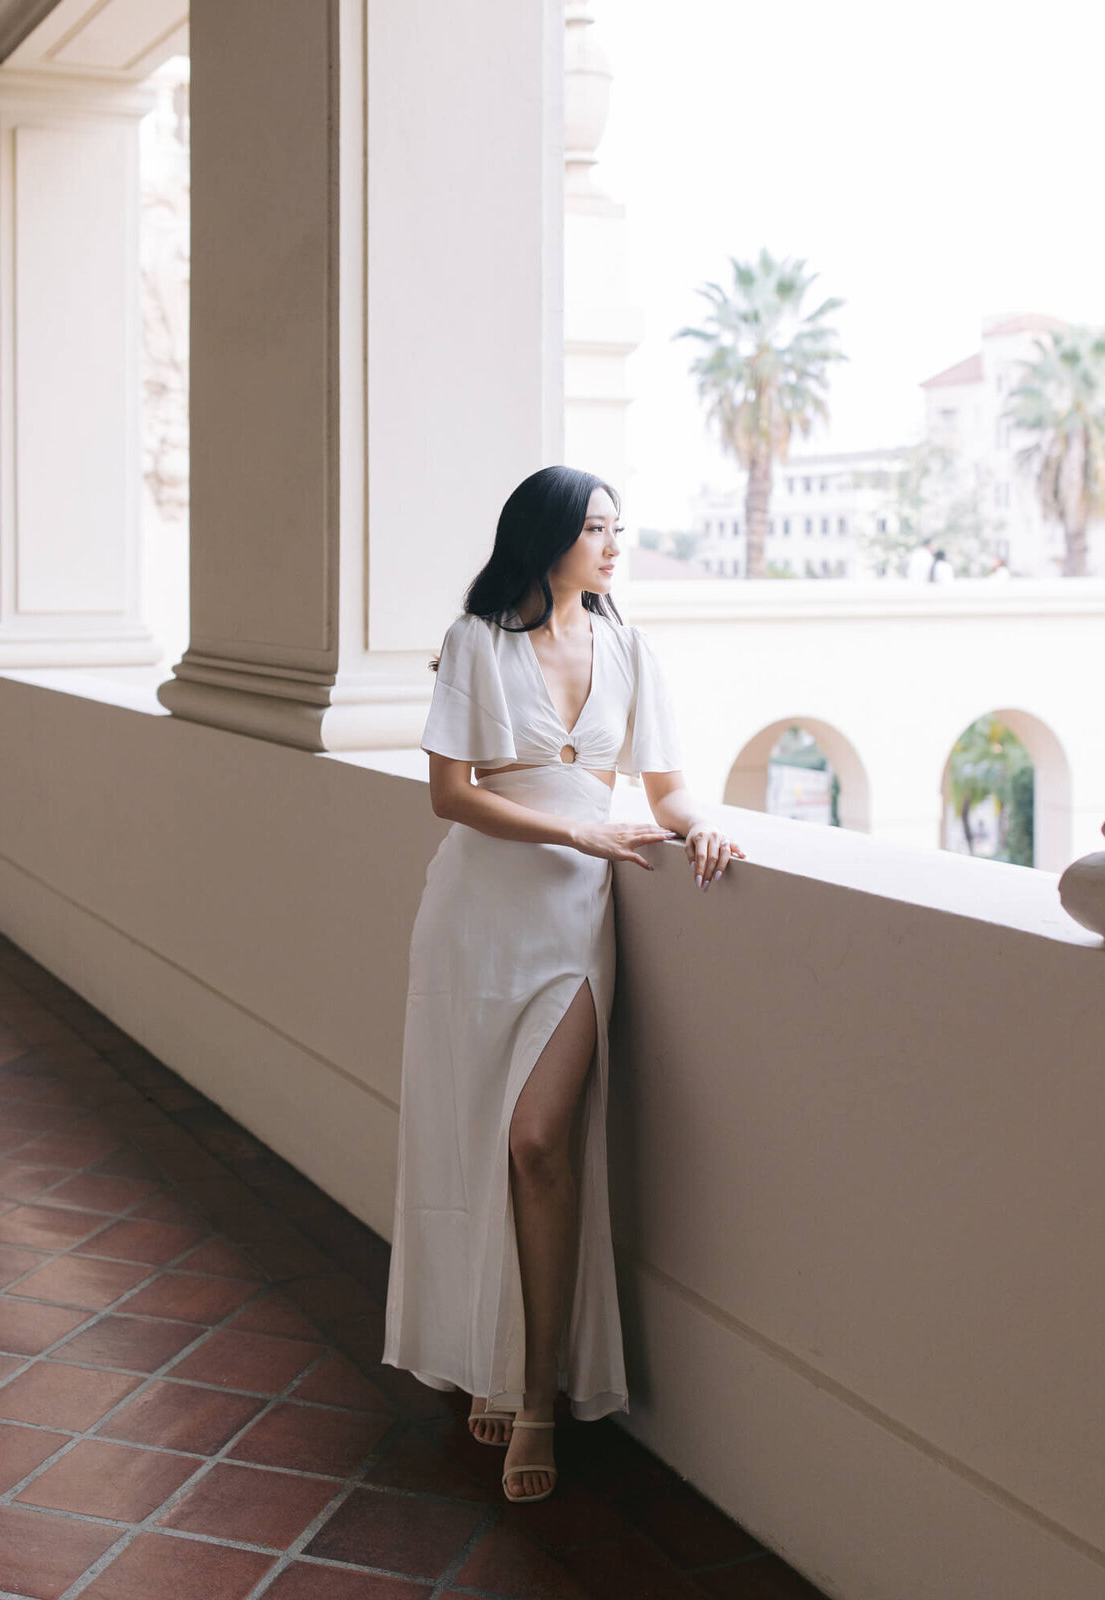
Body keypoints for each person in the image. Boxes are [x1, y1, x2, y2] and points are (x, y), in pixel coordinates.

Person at [381, 465, 746, 1505]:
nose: (615, 545)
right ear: (545, 537)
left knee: (540, 1140)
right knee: (474, 1138)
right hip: (473, 921)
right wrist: (576, 823)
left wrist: (700, 824)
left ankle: (536, 1391)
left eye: (620, 528)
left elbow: (666, 786)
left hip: (573, 925)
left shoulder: (630, 647)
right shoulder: (477, 644)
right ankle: (491, 1357)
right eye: (596, 528)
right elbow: (453, 794)